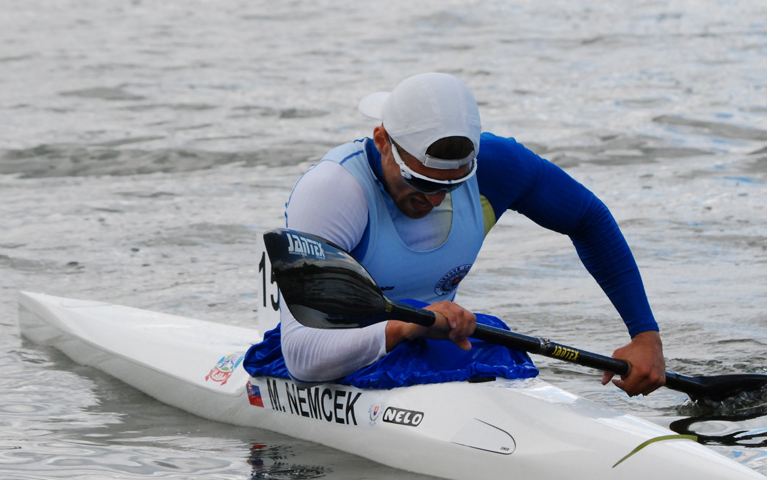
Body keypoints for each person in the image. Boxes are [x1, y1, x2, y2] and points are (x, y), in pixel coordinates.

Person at [279, 72, 665, 396]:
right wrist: (407, 325)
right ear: (382, 140)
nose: (432, 199)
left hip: (439, 343)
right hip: (338, 350)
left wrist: (645, 335)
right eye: (419, 181)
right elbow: (301, 356)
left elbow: (589, 220)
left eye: (449, 186)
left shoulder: (498, 165)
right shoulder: (333, 191)